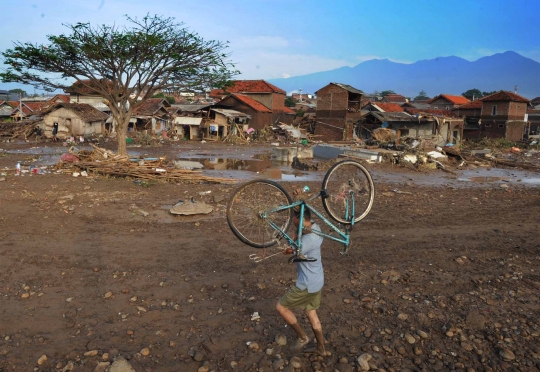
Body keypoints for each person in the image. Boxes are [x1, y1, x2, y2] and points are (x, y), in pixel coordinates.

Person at [276, 207, 329, 356]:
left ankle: (302, 337)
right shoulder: (314, 227)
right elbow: (299, 237)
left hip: (306, 284)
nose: (292, 220)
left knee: (281, 307)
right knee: (311, 312)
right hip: (318, 280)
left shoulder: (307, 241)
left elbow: (289, 251)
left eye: (293, 217)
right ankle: (321, 349)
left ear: (299, 219)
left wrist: (287, 248)